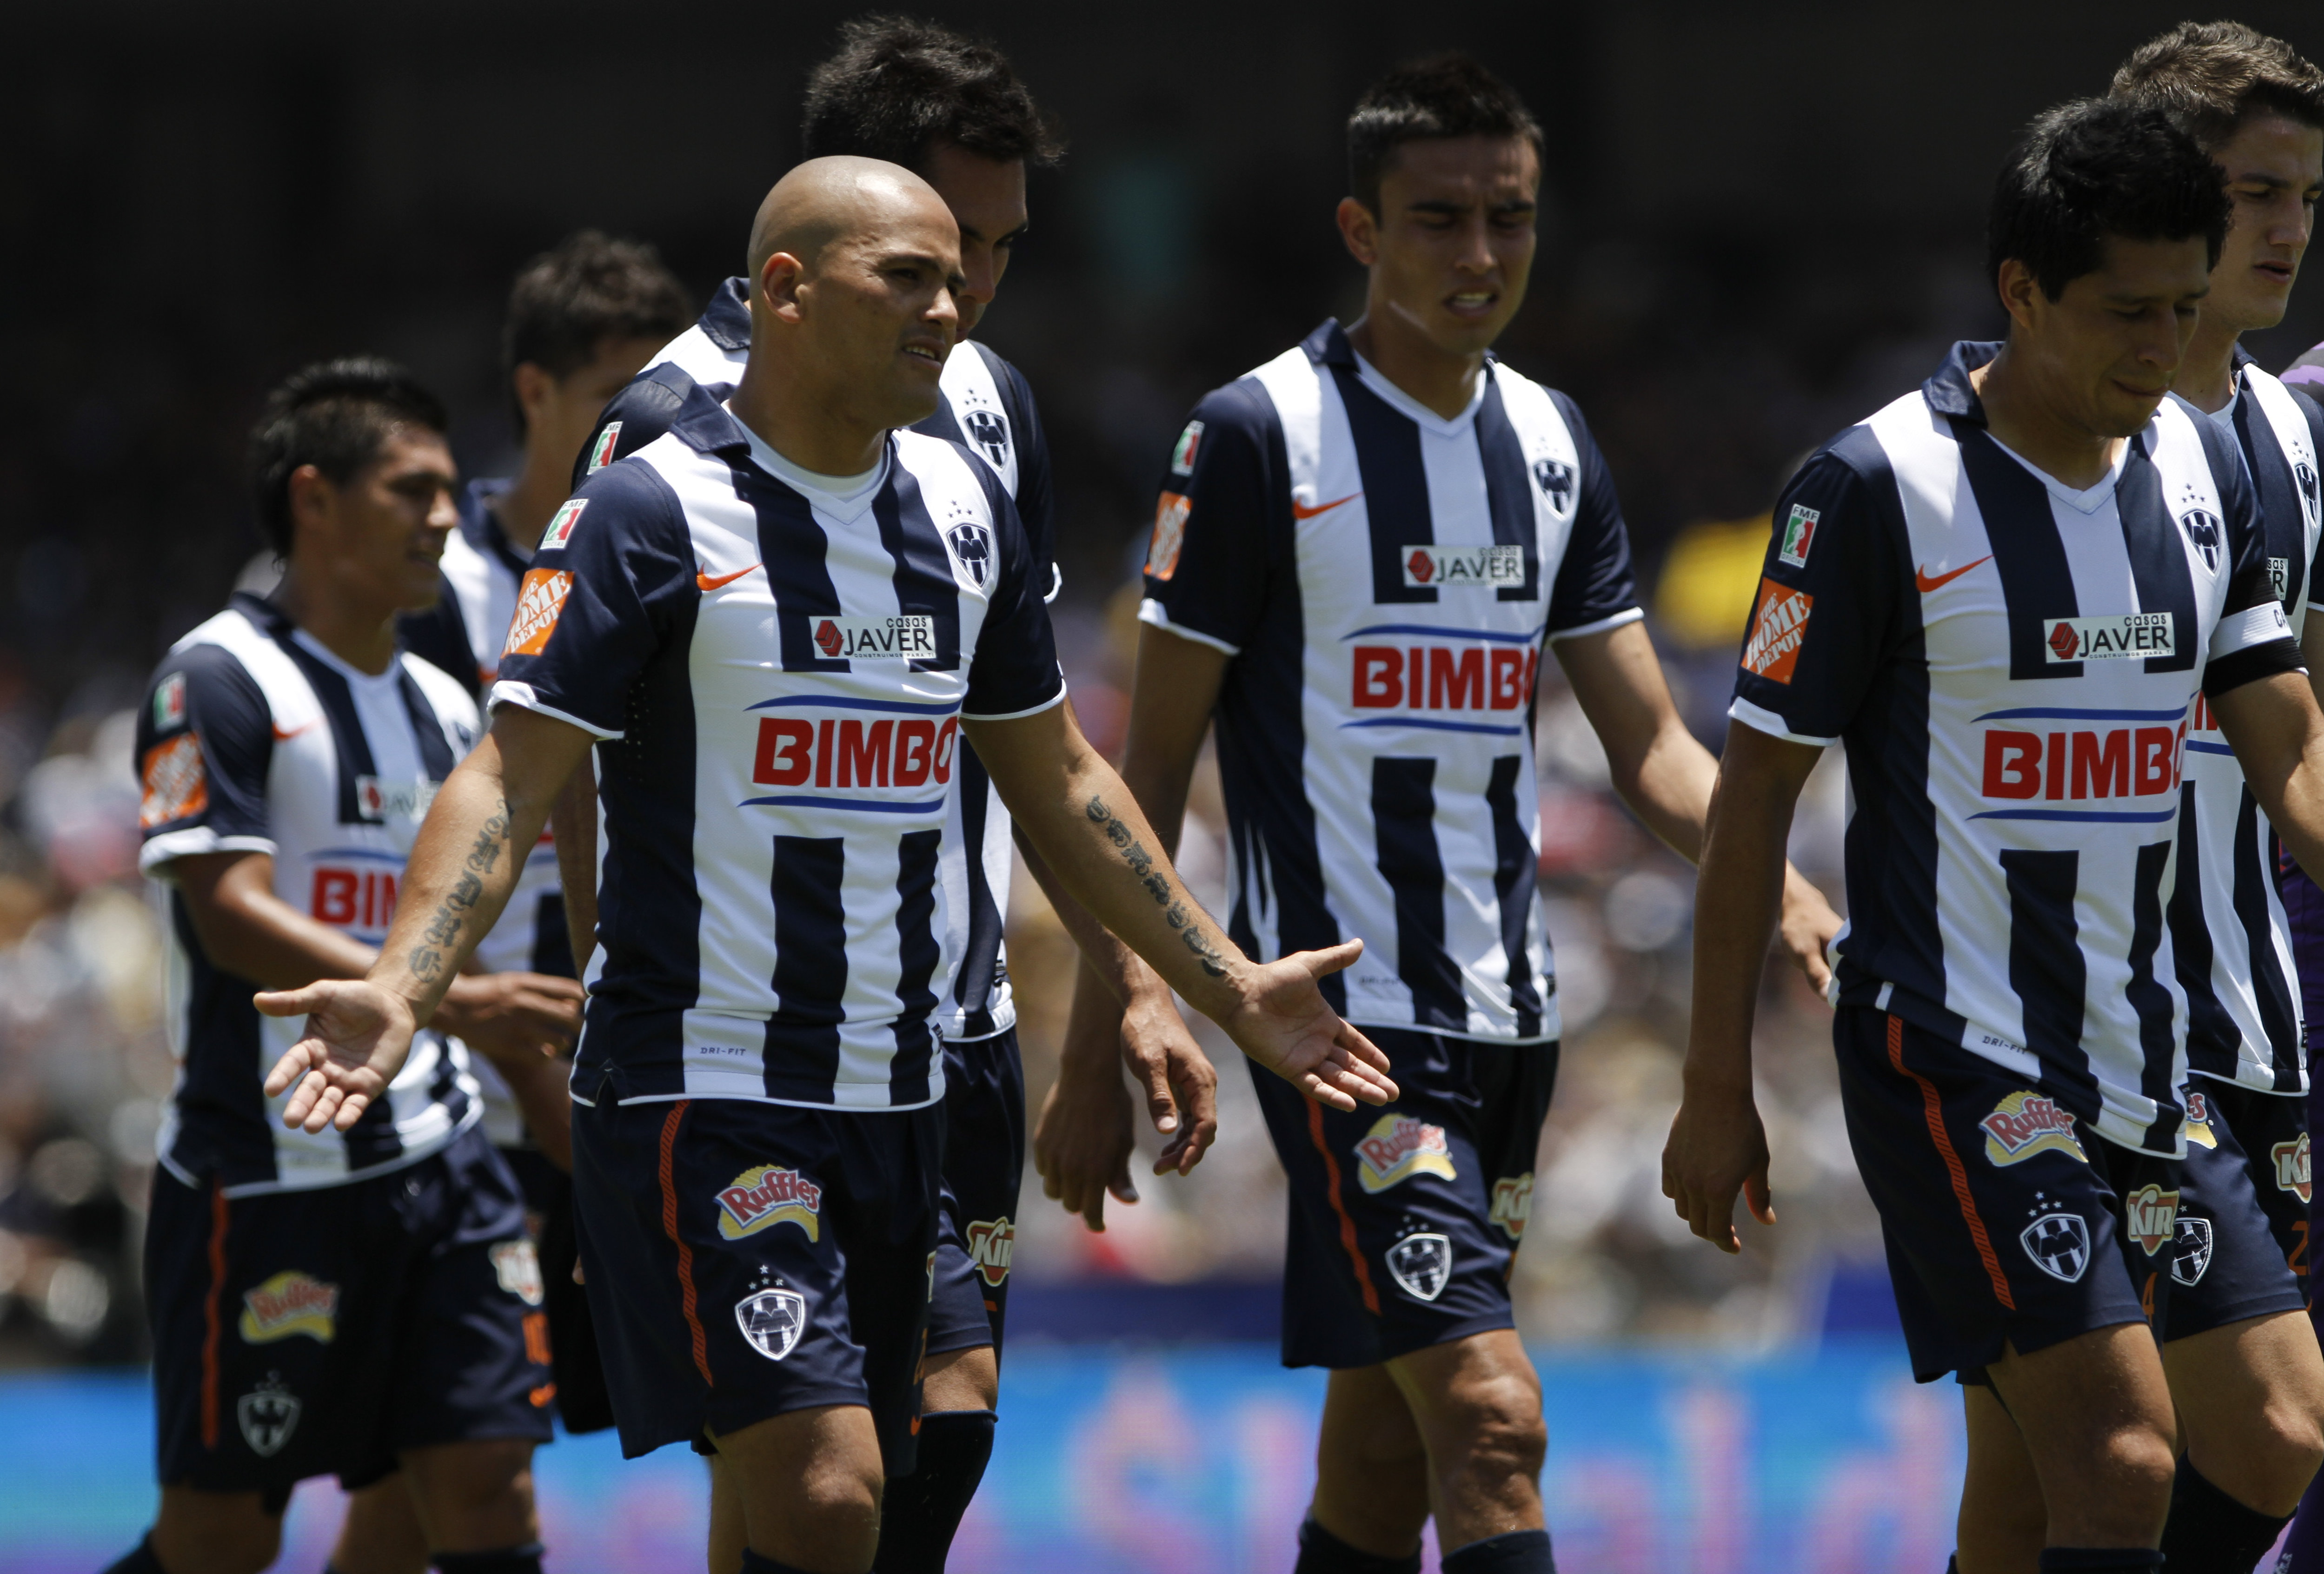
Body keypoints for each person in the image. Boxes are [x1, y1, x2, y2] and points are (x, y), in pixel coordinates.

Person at [253, 157, 1398, 1574]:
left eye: (960, 278)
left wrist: (1222, 984)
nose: (951, 309)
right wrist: (399, 983)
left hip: (905, 1093)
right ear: (785, 291)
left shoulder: (962, 507)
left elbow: (1059, 780)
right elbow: (511, 772)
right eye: (905, 279)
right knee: (829, 1490)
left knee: (898, 1468)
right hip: (709, 1086)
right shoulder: (650, 509)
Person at [1097, 57, 1840, 1574]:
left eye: (1511, 218)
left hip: (1511, 1021)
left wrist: (1784, 885)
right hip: (1345, 1030)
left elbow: (1647, 741)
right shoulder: (1256, 438)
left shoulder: (1553, 443)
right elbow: (1144, 761)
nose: (1483, 256)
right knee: (1495, 1417)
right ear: (1362, 231)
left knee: (1382, 1459)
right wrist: (1127, 1002)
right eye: (1442, 220)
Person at [562, 23, 1216, 1567]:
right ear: (837, 215)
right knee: (822, 1479)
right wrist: (619, 1021)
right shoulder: (666, 436)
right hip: (735, 1050)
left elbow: (1031, 745)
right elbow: (578, 765)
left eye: (995, 249)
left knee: (932, 1447)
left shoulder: (988, 410)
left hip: (947, 1036)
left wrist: (1125, 993)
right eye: (939, 245)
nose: (968, 287)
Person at [1661, 97, 2324, 1574]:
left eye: (2179, 308)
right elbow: (1754, 798)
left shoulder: (2205, 475)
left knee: (2269, 1431)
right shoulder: (1875, 488)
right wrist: (1719, 1085)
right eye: (2123, 315)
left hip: (2152, 1061)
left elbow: (2291, 751)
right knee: (2124, 1457)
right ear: (2022, 292)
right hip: (1958, 1061)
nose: (2161, 352)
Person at [106, 359, 584, 1574]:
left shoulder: (441, 700)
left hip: (442, 1161)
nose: (442, 516)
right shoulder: (212, 677)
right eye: (410, 488)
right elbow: (226, 908)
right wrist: (453, 1000)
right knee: (222, 1536)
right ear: (313, 497)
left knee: (483, 1486)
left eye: (445, 489)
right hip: (264, 1172)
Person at [326, 237, 694, 1574]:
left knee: (754, 1431)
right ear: (535, 391)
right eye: (613, 387)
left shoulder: (687, 546)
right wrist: (470, 1019)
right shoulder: (422, 590)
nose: (648, 418)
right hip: (464, 1100)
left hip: (642, 1074)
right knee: (460, 1478)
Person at [2118, 27, 2324, 1574]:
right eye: (2256, 190)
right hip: (2071, 1032)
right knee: (2234, 1440)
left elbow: (2303, 742)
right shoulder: (2032, 439)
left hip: (2254, 1024)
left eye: (2309, 196)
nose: (2289, 230)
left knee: (2052, 1495)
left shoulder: (2297, 441)